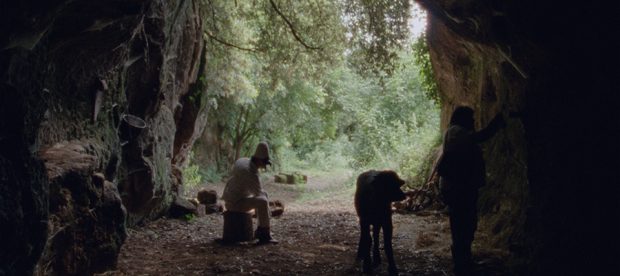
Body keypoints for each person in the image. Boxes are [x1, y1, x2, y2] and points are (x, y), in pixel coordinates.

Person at [438, 106, 505, 275]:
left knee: (465, 223)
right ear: (463, 119)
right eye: (471, 119)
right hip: (458, 188)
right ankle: (461, 264)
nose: (473, 122)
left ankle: (464, 260)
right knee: (463, 224)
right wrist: (496, 123)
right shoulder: (456, 132)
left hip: (459, 187)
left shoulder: (455, 132)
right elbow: (480, 137)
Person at [221, 142, 278, 244]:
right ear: (259, 160)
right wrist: (267, 211)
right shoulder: (250, 173)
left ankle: (262, 228)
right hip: (235, 203)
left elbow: (258, 191)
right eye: (264, 163)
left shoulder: (242, 161)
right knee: (263, 201)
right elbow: (258, 193)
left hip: (232, 197)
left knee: (264, 196)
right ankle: (264, 234)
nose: (264, 166)